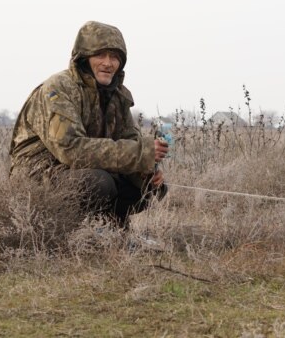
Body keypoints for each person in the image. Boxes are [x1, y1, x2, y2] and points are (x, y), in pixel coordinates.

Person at [9, 21, 168, 229]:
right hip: (38, 176)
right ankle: (68, 233)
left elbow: (129, 140)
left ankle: (114, 231)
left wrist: (146, 173)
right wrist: (141, 153)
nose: (108, 63)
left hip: (76, 170)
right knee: (98, 183)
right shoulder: (58, 89)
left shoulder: (118, 94)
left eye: (114, 57)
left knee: (144, 188)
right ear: (83, 59)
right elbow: (71, 150)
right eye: (100, 55)